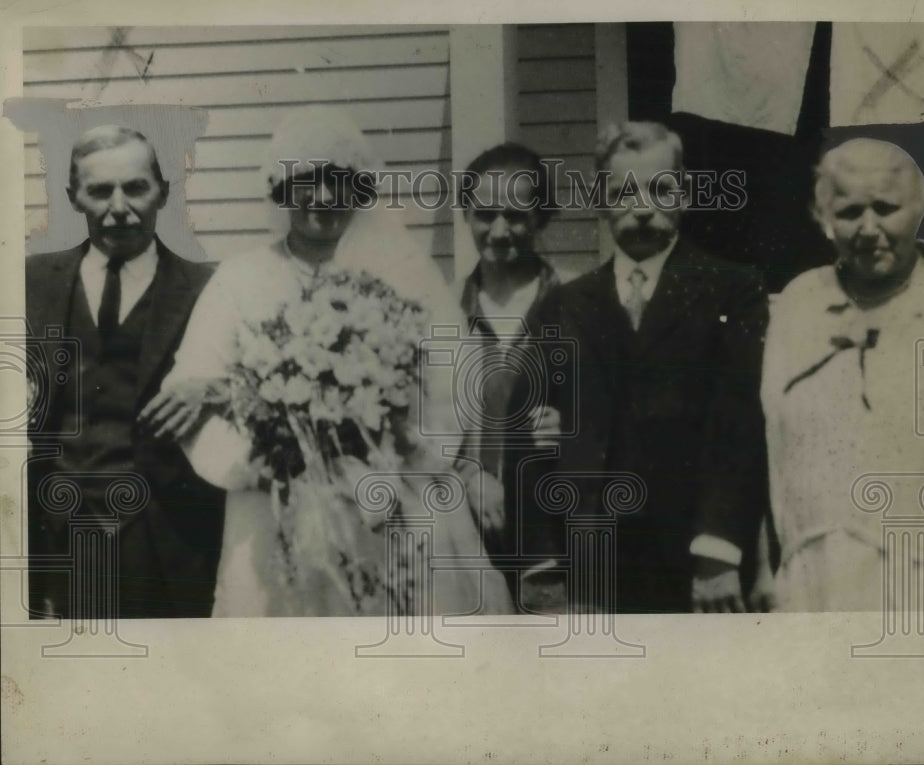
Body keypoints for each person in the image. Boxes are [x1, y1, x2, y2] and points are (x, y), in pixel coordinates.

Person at [154, 106, 513, 616]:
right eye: (307, 182)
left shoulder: (400, 271)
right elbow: (196, 383)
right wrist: (274, 459)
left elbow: (452, 373)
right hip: (278, 498)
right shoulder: (240, 278)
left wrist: (388, 449)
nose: (324, 198)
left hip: (390, 497)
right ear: (282, 190)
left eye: (339, 182)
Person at [520, 121, 770, 613]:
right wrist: (543, 561)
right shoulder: (565, 306)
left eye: (660, 189)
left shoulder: (730, 291)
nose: (641, 208)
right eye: (623, 192)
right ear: (600, 199)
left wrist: (717, 553)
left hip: (694, 559)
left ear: (687, 195)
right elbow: (531, 437)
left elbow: (737, 426)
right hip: (595, 564)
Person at [25, 124, 225, 619]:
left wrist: (217, 389)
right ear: (73, 198)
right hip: (58, 542)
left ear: (164, 193)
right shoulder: (28, 282)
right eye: (99, 191)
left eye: (135, 187)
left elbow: (257, 383)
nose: (118, 206)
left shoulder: (211, 289)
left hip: (170, 545)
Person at [760, 138, 924, 611]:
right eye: (851, 212)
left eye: (886, 208)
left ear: (919, 210)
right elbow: (767, 430)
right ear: (825, 218)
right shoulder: (800, 302)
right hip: (813, 571)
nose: (868, 229)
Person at [455, 142, 561, 600]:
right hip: (465, 540)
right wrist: (468, 474)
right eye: (484, 215)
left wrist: (573, 430)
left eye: (515, 215)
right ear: (465, 217)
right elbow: (414, 430)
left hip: (556, 547)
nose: (499, 231)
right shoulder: (441, 312)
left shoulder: (578, 306)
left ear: (541, 217)